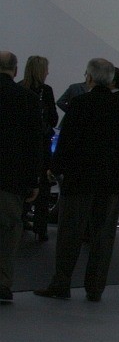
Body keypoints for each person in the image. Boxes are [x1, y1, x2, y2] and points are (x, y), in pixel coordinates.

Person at [34, 59, 119, 302]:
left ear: (90, 78)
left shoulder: (81, 103)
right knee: (102, 238)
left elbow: (67, 141)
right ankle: (95, 288)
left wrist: (55, 168)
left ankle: (61, 284)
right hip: (109, 182)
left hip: (79, 180)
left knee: (70, 235)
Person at [0, 52, 43, 303]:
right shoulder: (28, 99)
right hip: (11, 179)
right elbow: (34, 143)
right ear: (15, 70)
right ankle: (2, 283)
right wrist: (33, 180)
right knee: (8, 233)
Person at [19, 55, 59, 242]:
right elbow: (53, 119)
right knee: (43, 186)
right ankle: (40, 227)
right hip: (41, 145)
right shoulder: (46, 91)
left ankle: (21, 219)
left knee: (21, 185)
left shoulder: (20, 88)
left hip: (22, 147)